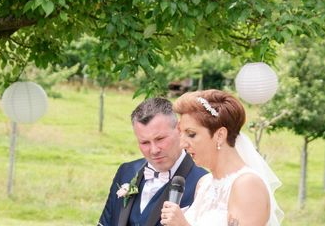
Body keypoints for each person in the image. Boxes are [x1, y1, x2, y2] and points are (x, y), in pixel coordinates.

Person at [160, 89, 283, 226]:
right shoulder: (203, 184)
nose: (182, 144)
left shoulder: (247, 185)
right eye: (181, 133)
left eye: (191, 134)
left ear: (220, 135)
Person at [98, 97, 207, 226]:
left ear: (179, 130)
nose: (154, 150)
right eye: (144, 142)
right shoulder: (126, 171)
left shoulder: (204, 184)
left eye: (160, 139)